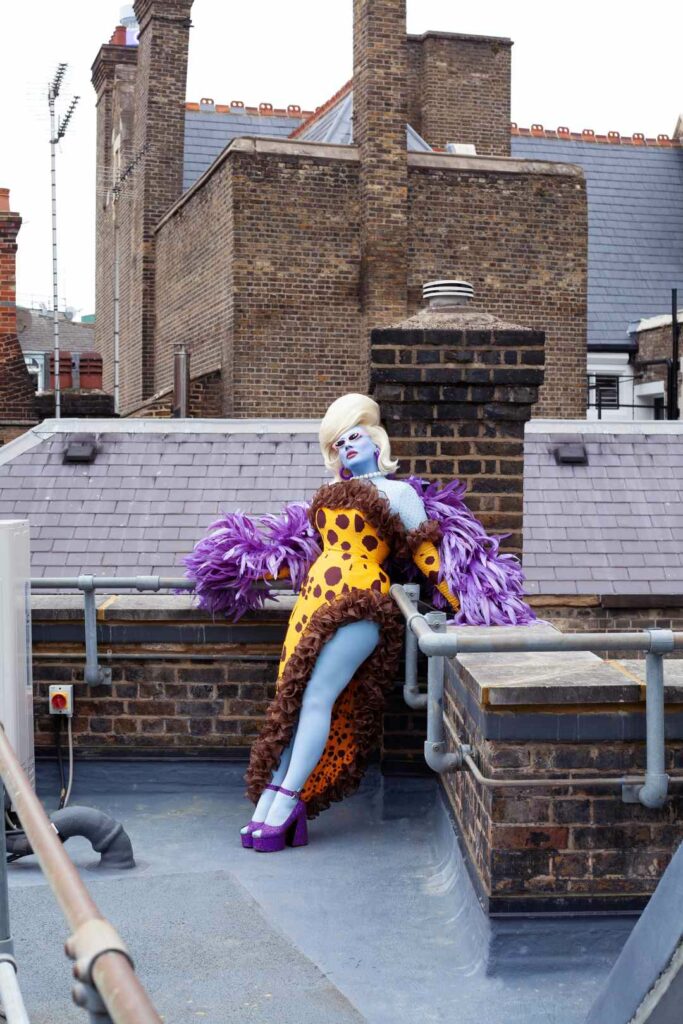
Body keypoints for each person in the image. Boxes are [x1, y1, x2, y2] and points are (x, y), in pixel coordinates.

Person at [184, 394, 533, 852]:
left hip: (360, 603)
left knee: (316, 699)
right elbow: (306, 558)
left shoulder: (400, 494)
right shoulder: (327, 495)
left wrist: (463, 599)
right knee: (290, 701)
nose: (348, 445)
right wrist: (248, 568)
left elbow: (427, 556)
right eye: (339, 441)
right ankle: (275, 797)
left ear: (375, 440)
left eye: (355, 435)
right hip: (312, 604)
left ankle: (286, 801)